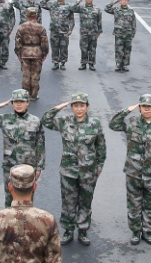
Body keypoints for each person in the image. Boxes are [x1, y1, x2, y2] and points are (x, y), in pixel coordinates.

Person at [41, 93, 107, 245]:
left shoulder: (95, 123)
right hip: (68, 171)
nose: (79, 109)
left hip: (88, 172)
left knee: (85, 202)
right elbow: (46, 120)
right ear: (71, 107)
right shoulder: (65, 122)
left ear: (87, 107)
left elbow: (101, 147)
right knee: (68, 202)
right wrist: (60, 106)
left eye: (82, 106)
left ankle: (83, 230)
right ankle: (68, 230)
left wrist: (99, 167)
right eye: (75, 106)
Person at [110, 93, 151, 245]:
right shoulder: (131, 123)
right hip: (134, 172)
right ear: (140, 108)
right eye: (144, 106)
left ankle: (148, 232)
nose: (147, 109)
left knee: (150, 204)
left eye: (150, 106)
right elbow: (113, 124)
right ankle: (136, 232)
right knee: (134, 204)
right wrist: (127, 110)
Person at [0, 89, 48, 206]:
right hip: (9, 166)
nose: (19, 104)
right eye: (16, 101)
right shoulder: (5, 119)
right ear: (12, 103)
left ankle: (26, 218)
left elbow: (40, 144)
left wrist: (39, 168)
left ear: (27, 102)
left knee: (28, 199)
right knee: (9, 197)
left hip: (28, 167)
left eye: (22, 101)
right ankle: (10, 218)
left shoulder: (35, 121)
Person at [14, 7, 49, 99]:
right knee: (35, 75)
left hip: (25, 53)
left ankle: (25, 94)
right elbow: (44, 42)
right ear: (36, 16)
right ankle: (34, 94)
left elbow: (18, 42)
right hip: (37, 53)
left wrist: (18, 53)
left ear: (27, 15)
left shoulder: (21, 27)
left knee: (26, 74)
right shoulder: (40, 27)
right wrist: (44, 53)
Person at [104, 0, 137, 72]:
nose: (124, 1)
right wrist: (114, 2)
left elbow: (133, 22)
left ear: (127, 1)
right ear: (120, 1)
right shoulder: (116, 10)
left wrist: (133, 33)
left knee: (127, 50)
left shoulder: (131, 11)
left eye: (126, 0)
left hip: (128, 33)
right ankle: (118, 64)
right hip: (119, 33)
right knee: (118, 49)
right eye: (123, 0)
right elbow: (106, 8)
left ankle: (125, 65)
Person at [74, 0, 103, 70]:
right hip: (84, 32)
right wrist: (78, 1)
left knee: (92, 49)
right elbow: (72, 8)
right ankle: (83, 64)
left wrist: (99, 31)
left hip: (93, 32)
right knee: (83, 48)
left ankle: (91, 64)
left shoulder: (97, 9)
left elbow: (99, 21)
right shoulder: (81, 8)